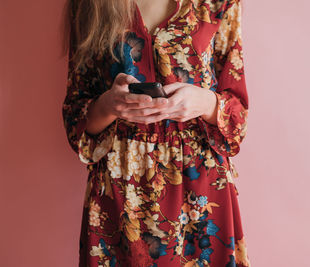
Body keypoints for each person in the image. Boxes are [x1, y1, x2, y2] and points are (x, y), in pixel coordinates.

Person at [61, 0, 251, 266]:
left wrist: (205, 103)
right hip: (121, 190)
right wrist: (109, 105)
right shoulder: (90, 4)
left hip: (199, 189)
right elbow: (76, 119)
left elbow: (237, 116)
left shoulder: (219, 3)